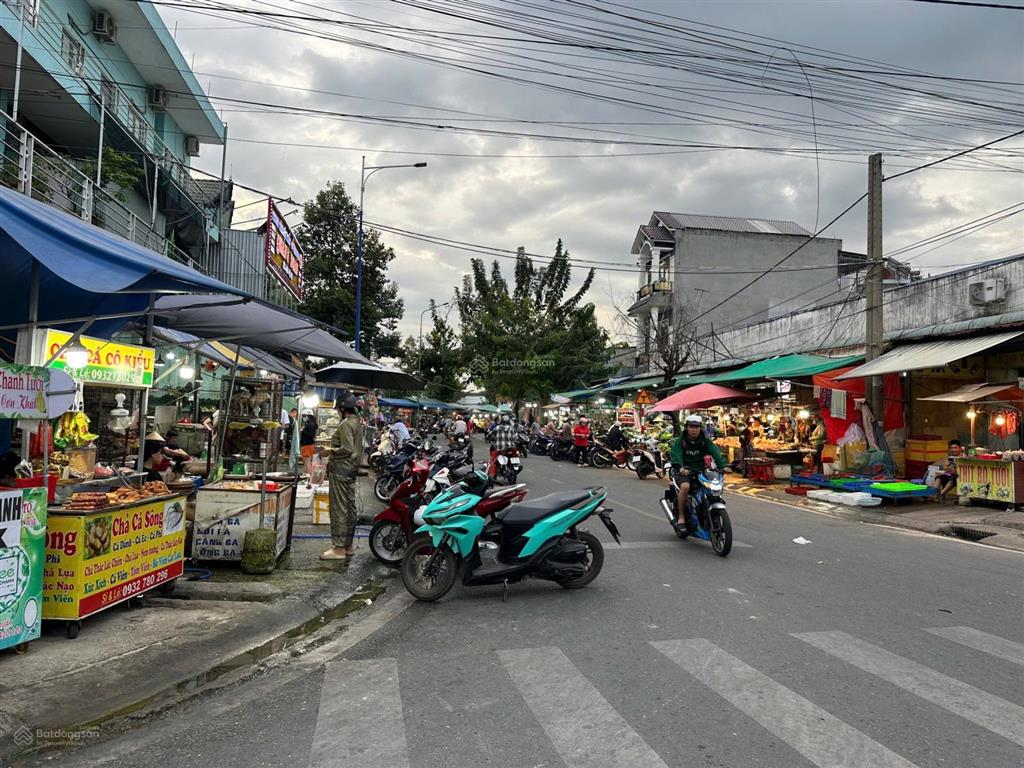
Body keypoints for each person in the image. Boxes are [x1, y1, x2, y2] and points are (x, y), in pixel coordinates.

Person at [318, 393, 364, 560]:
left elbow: (347, 448)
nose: (337, 412)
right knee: (350, 508)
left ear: (343, 409)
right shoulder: (357, 423)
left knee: (339, 509)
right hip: (351, 470)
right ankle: (348, 545)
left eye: (338, 409)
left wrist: (329, 450)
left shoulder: (346, 424)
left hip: (341, 471)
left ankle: (338, 548)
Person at [668, 414, 727, 529]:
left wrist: (723, 466)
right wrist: (680, 467)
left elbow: (716, 453)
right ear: (686, 427)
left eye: (696, 427)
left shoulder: (705, 441)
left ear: (700, 428)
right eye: (691, 426)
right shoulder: (681, 441)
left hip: (700, 471)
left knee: (711, 488)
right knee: (685, 487)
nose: (694, 429)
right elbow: (676, 455)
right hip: (683, 471)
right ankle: (681, 518)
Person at [299, 410, 318, 482]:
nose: (304, 418)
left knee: (307, 463)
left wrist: (303, 431)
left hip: (308, 445)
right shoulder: (310, 424)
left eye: (304, 416)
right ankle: (306, 477)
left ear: (309, 416)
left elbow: (311, 434)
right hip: (307, 445)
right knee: (306, 463)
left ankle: (310, 478)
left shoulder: (311, 424)